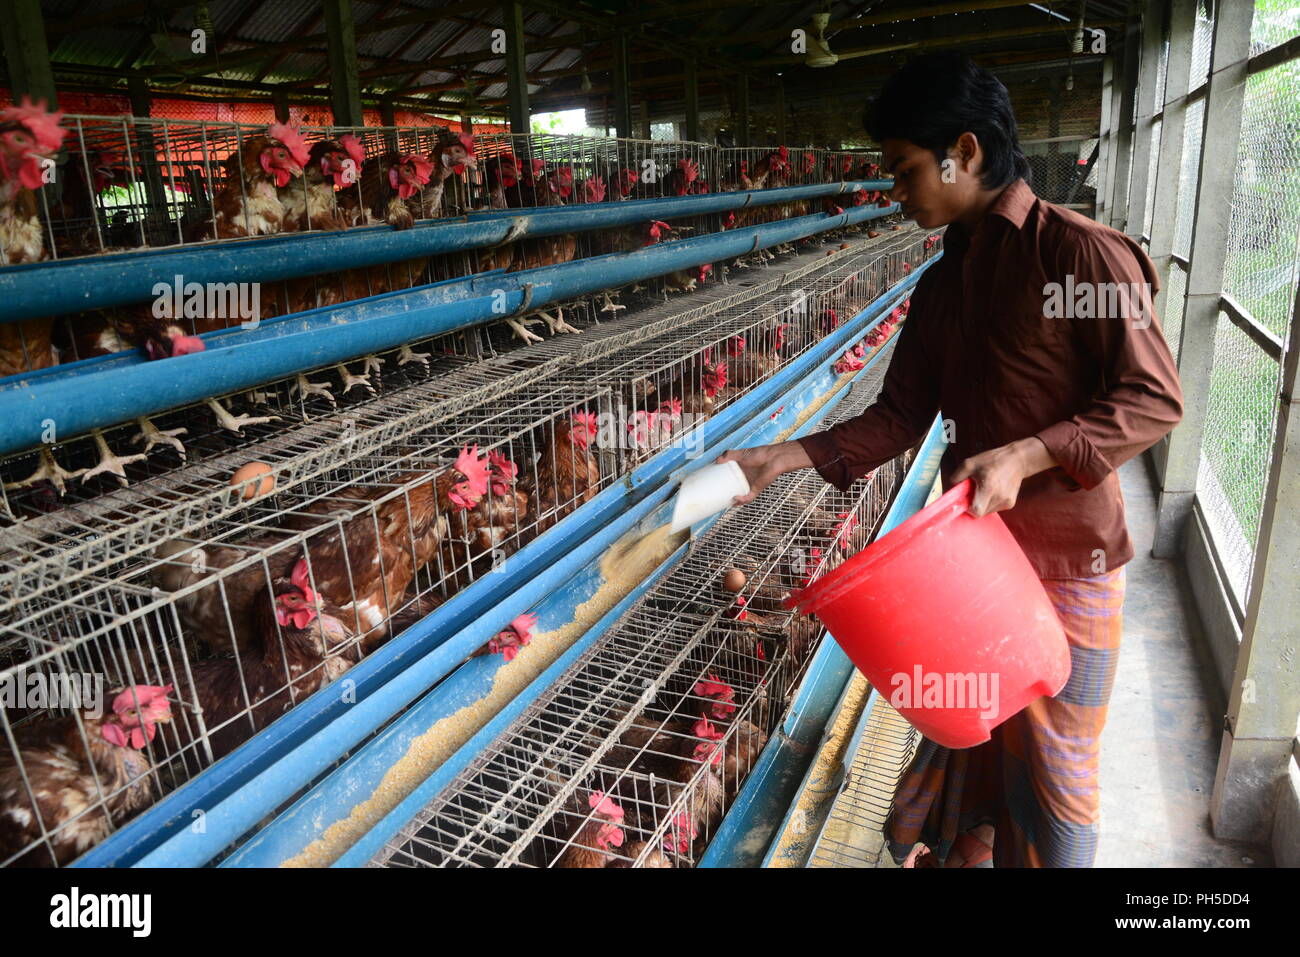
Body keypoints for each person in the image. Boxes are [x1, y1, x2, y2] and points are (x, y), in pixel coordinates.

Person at [716, 52, 1183, 868]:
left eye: (904, 172)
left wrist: (1029, 454)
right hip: (969, 563)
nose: (898, 195)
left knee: (1060, 774)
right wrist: (780, 457)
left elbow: (1153, 400)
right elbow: (900, 416)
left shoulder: (1079, 257)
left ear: (964, 152)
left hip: (1068, 561)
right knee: (976, 740)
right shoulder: (941, 287)